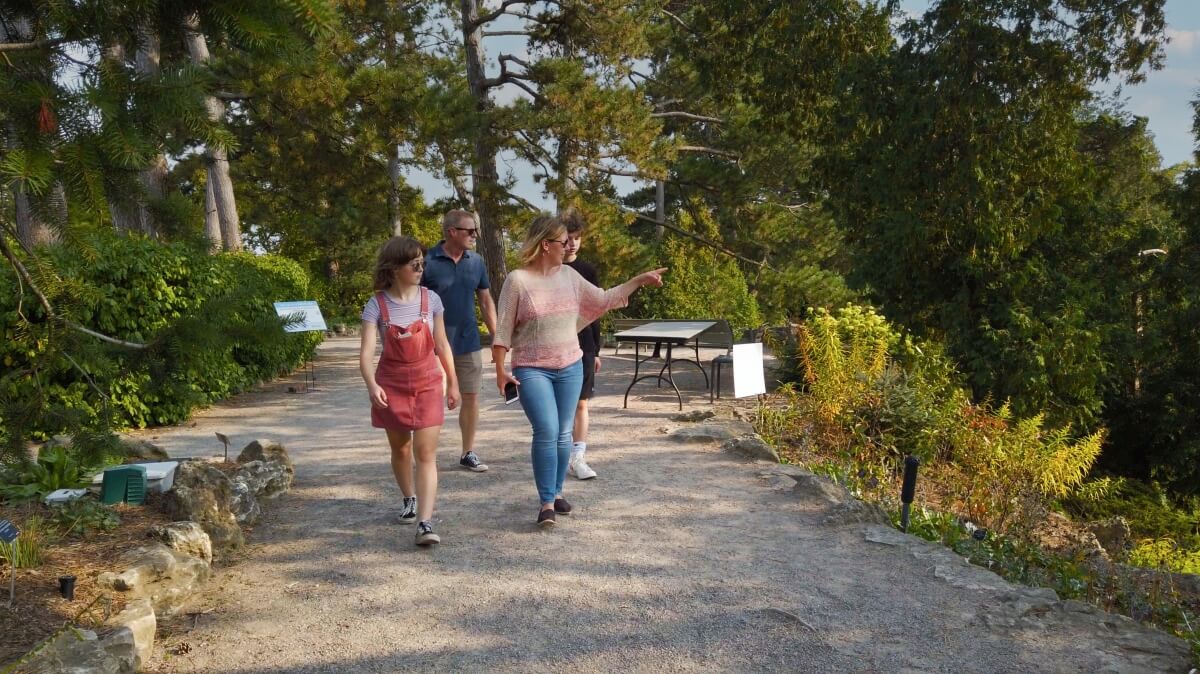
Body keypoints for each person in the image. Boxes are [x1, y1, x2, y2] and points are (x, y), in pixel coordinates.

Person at [492, 214, 666, 527]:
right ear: (546, 245)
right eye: (563, 242)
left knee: (562, 434)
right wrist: (501, 370)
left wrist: (639, 280)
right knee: (546, 430)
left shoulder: (570, 278)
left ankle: (557, 493)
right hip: (532, 368)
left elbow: (605, 298)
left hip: (571, 364)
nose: (569, 246)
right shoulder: (518, 280)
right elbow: (503, 330)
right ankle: (546, 502)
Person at [359, 236, 461, 546]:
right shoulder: (375, 305)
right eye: (413, 263)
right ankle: (409, 498)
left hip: (428, 381)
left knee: (426, 454)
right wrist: (372, 385)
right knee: (401, 448)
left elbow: (442, 344)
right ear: (394, 268)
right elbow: (365, 354)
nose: (420, 268)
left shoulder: (432, 300)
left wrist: (452, 381)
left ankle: (425, 523)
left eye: (422, 262)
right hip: (391, 384)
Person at [422, 210, 498, 473]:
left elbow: (486, 301)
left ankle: (468, 452)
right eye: (469, 231)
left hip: (468, 341)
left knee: (471, 396)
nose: (474, 235)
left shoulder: (476, 261)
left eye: (475, 231)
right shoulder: (426, 261)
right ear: (452, 231)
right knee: (431, 400)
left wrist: (498, 338)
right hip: (431, 346)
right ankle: (426, 456)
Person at [561, 208, 600, 480]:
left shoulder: (588, 270)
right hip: (555, 345)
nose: (573, 243)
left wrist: (596, 350)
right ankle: (559, 455)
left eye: (577, 238)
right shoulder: (548, 269)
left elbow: (596, 310)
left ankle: (578, 458)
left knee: (581, 404)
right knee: (558, 406)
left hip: (584, 344)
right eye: (568, 238)